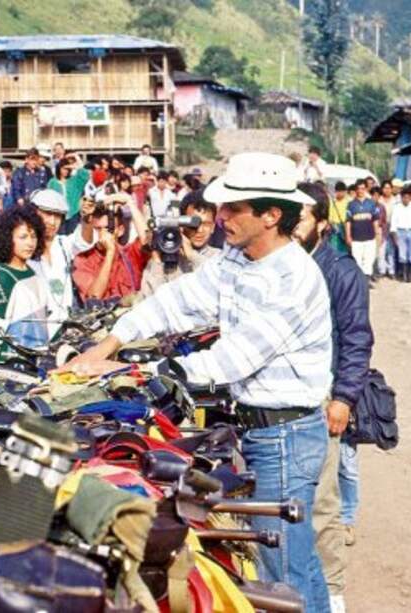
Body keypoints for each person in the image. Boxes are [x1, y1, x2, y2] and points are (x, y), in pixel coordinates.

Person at [62, 152, 332, 613]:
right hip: (259, 428)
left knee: (284, 573)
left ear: (270, 215)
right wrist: (111, 342)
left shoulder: (294, 277)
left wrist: (136, 373)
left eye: (233, 208)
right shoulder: (237, 259)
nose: (219, 216)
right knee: (287, 562)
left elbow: (234, 358)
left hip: (286, 435)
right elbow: (179, 300)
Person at [294, 181, 372, 613]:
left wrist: (343, 397)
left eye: (302, 215)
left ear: (322, 224)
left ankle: (332, 592)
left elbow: (357, 338)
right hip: (282, 399)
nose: (293, 223)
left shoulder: (340, 270)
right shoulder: (277, 264)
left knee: (324, 502)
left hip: (323, 398)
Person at [0, 206, 50, 365]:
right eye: (23, 237)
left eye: (33, 236)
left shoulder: (34, 273)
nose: (30, 243)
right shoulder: (1, 276)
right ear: (8, 238)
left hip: (35, 361)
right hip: (7, 363)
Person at [27, 189, 95, 339]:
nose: (52, 221)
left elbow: (84, 242)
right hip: (33, 328)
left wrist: (87, 218)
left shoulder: (63, 244)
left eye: (57, 216)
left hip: (64, 330)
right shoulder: (24, 247)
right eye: (47, 213)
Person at [72, 195, 149, 303]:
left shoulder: (130, 254)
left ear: (121, 230)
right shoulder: (83, 260)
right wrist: (110, 253)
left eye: (108, 229)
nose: (103, 234)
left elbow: (148, 240)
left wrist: (130, 203)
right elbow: (93, 299)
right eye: (98, 229)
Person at [141, 191, 221, 296]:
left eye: (206, 224)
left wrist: (192, 256)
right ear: (181, 223)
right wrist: (157, 261)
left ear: (213, 227)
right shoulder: (164, 256)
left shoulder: (219, 258)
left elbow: (219, 286)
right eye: (193, 225)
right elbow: (150, 298)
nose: (200, 230)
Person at [345, 179, 379, 281]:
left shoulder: (371, 203)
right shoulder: (351, 205)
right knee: (357, 261)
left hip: (370, 237)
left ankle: (366, 281)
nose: (361, 190)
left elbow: (375, 220)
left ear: (365, 189)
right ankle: (359, 282)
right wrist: (348, 236)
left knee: (368, 260)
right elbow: (348, 222)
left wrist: (377, 234)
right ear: (356, 190)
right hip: (356, 238)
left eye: (363, 188)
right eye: (358, 188)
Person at [389, 185, 411, 282]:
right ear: (401, 197)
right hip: (401, 232)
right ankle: (404, 275)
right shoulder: (397, 207)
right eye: (404, 197)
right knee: (402, 254)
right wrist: (395, 235)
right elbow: (393, 222)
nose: (406, 199)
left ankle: (410, 275)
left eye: (408, 197)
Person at [328, 182, 349, 254]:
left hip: (346, 227)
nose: (339, 193)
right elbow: (330, 218)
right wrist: (334, 226)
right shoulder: (332, 202)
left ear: (345, 192)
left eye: (341, 191)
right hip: (335, 229)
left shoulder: (349, 202)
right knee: (335, 249)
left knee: (346, 249)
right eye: (338, 191)